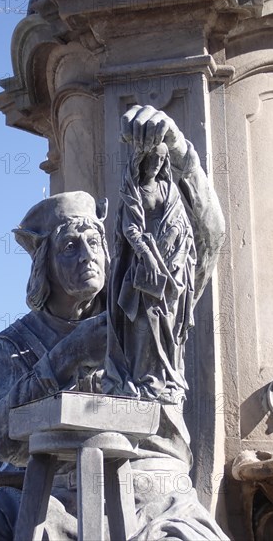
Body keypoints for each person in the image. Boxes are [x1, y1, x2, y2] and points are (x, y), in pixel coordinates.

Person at [0, 106, 228, 540]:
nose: (88, 255)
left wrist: (178, 149)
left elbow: (210, 238)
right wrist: (68, 355)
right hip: (52, 493)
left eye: (94, 240)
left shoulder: (143, 310)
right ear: (44, 265)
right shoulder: (12, 346)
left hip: (150, 490)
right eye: (70, 246)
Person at [103, 140, 197, 401]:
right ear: (141, 160)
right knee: (143, 320)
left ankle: (166, 378)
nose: (156, 164)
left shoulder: (169, 188)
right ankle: (144, 379)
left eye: (161, 159)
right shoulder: (132, 192)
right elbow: (129, 228)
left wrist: (170, 239)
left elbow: (181, 223)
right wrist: (146, 254)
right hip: (142, 264)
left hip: (171, 263)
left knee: (168, 319)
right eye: (152, 158)